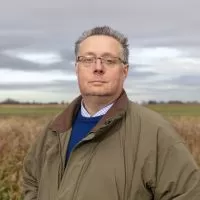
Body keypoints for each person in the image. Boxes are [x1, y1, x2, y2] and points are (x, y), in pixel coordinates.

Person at [22, 26, 200, 200]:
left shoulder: (155, 132)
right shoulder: (55, 129)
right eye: (88, 60)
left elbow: (187, 194)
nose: (98, 68)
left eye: (109, 60)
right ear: (77, 68)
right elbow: (31, 179)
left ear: (125, 71)